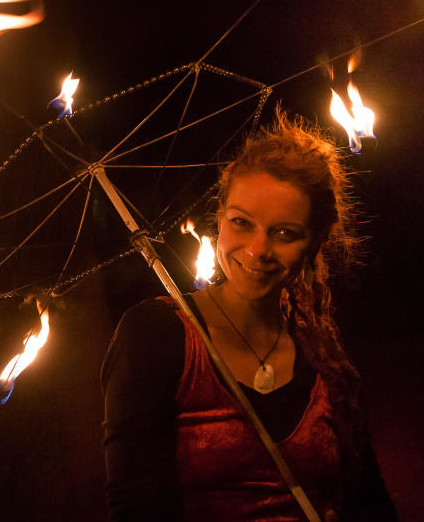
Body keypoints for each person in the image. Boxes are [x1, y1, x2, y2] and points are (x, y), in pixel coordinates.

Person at [101, 108, 397, 521]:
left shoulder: (324, 355)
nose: (258, 249)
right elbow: (135, 509)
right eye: (242, 222)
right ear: (219, 217)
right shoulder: (154, 335)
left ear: (315, 243)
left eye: (285, 233)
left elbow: (370, 502)